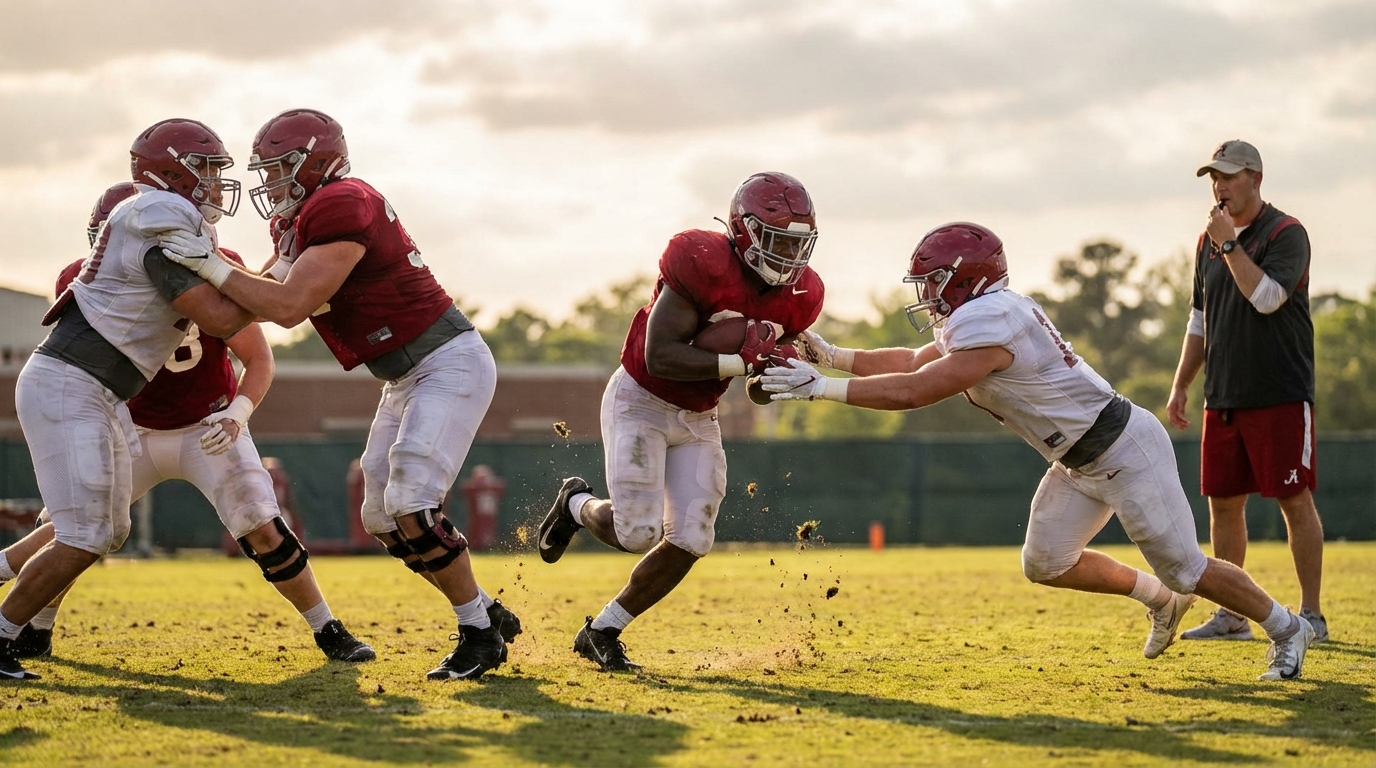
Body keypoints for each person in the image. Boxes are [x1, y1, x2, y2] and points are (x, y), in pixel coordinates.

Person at [760, 222, 1315, 681]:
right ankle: (1159, 600)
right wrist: (831, 354)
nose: (926, 294)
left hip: (1122, 447)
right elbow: (909, 361)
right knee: (1046, 562)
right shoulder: (983, 313)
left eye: (935, 282)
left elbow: (917, 390)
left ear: (966, 280)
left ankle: (1289, 628)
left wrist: (820, 387)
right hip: (1078, 460)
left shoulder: (990, 322)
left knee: (1188, 568)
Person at [156, 109, 519, 681]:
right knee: (379, 515)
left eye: (281, 170)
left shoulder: (342, 201)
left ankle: (478, 633)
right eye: (267, 173)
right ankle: (487, 609)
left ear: (317, 163)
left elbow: (287, 306)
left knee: (410, 506)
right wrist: (198, 285)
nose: (271, 184)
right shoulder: (298, 221)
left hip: (446, 360)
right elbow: (261, 295)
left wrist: (204, 264)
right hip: (405, 374)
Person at [0, 182, 374, 664]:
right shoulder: (84, 278)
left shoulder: (211, 260)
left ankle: (327, 628)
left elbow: (256, 356)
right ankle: (36, 628)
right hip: (131, 425)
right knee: (73, 525)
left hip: (206, 424)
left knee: (261, 523)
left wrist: (238, 413)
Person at [0, 119, 259, 680]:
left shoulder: (163, 222)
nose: (215, 185)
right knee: (83, 532)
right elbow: (218, 316)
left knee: (108, 531)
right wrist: (281, 283)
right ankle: (3, 632)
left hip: (98, 389)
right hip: (71, 382)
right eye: (205, 171)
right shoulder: (155, 218)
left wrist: (271, 284)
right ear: (167, 173)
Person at [535, 172, 822, 671]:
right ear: (744, 231)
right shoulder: (701, 261)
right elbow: (661, 354)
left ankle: (603, 629)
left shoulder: (803, 296)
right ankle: (576, 503)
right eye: (777, 241)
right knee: (636, 532)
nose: (788, 257)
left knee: (693, 537)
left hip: (698, 413)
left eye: (798, 245)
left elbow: (754, 391)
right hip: (642, 398)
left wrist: (778, 378)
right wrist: (744, 362)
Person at [1167, 140, 1327, 644]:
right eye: (1214, 177)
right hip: (1225, 396)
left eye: (1229, 176)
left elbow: (1267, 299)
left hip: (1279, 391)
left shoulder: (1286, 233)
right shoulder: (1206, 242)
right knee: (1223, 505)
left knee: (1293, 500)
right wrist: (1181, 384)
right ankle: (1232, 615)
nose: (1220, 186)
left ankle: (1313, 616)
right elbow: (1200, 319)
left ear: (1256, 178)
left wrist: (1230, 245)